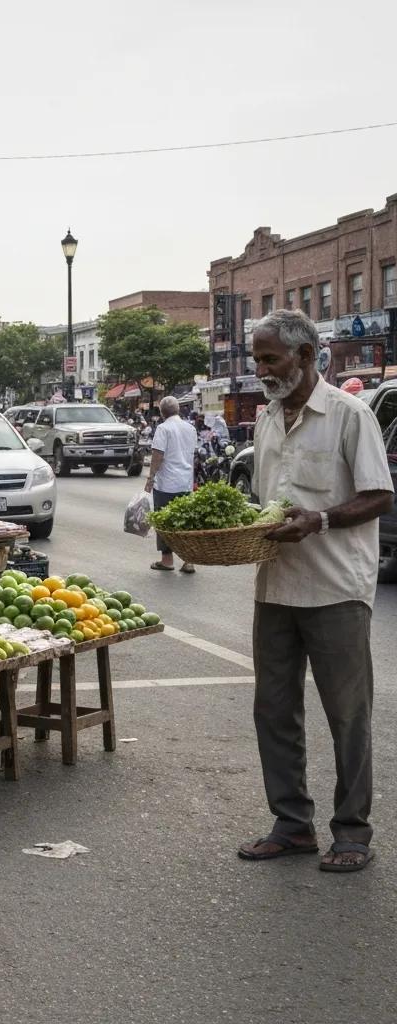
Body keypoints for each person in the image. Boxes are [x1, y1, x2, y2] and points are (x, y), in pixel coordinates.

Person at [237, 309, 393, 873]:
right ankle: (291, 824)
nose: (262, 369)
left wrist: (319, 521)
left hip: (336, 589)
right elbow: (266, 503)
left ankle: (352, 831)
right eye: (257, 359)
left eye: (270, 358)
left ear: (306, 356)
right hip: (275, 585)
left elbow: (379, 496)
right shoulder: (266, 420)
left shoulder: (351, 416)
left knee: (348, 715)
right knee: (274, 710)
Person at [144, 395, 197, 573]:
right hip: (185, 483)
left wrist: (150, 478)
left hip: (166, 484)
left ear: (161, 412)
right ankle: (189, 561)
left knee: (165, 523)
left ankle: (167, 561)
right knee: (185, 523)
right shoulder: (190, 428)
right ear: (178, 409)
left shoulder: (163, 428)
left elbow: (158, 455)